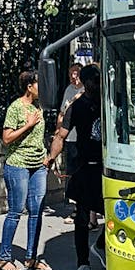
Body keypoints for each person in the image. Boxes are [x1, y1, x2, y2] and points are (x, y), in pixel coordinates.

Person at [47, 64, 105, 270]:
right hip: (84, 167)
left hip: (106, 167)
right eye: (95, 80)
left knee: (116, 214)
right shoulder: (77, 107)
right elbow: (61, 136)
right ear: (87, 82)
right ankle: (83, 264)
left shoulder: (108, 102)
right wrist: (52, 157)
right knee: (81, 218)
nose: (98, 84)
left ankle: (100, 245)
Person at [0, 70, 49, 270]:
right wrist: (28, 125)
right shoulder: (16, 108)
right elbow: (7, 138)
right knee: (16, 211)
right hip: (18, 165)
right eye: (39, 84)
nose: (42, 89)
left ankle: (31, 257)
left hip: (38, 165)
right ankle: (4, 257)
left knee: (36, 212)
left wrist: (46, 156)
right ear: (29, 87)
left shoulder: (39, 107)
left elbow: (39, 136)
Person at [56, 62, 84, 224]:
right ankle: (76, 209)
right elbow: (62, 113)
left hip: (84, 138)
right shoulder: (68, 90)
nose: (73, 77)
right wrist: (58, 133)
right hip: (71, 137)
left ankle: (85, 211)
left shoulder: (86, 90)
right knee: (73, 174)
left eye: (76, 73)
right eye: (71, 74)